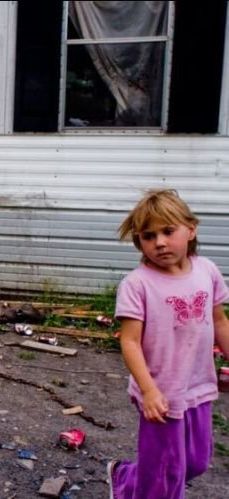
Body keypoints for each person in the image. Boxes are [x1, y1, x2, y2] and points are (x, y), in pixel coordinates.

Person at [110, 189, 229, 499]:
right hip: (160, 392)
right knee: (165, 476)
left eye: (167, 231)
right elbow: (131, 342)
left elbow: (219, 322)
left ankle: (125, 478)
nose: (159, 242)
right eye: (149, 236)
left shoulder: (208, 271)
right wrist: (148, 390)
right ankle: (135, 488)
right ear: (139, 242)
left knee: (196, 462)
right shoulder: (137, 284)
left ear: (191, 229)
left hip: (198, 386)